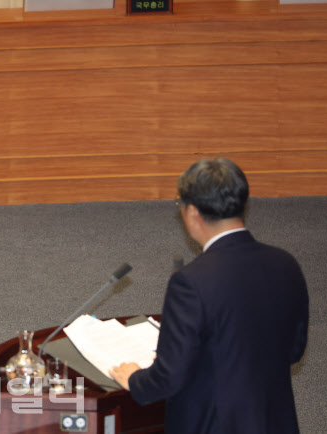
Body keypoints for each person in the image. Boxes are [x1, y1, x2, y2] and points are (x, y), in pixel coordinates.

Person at [109, 158, 309, 433]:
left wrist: (135, 379)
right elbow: (293, 350)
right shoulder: (286, 263)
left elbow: (170, 377)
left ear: (192, 212)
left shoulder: (191, 282)